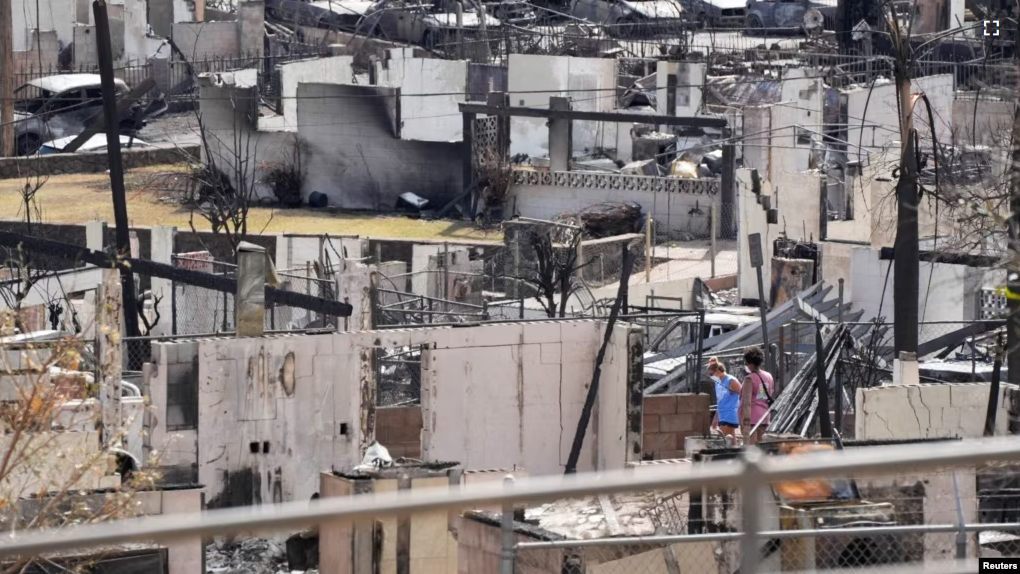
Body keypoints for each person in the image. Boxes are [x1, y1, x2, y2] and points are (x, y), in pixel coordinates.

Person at [740, 346, 775, 445]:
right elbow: (770, 392)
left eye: (746, 363)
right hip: (764, 415)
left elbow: (746, 403)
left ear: (750, 363)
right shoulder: (768, 376)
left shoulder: (749, 379)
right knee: (762, 446)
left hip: (751, 417)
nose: (746, 365)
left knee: (751, 448)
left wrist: (744, 421)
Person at [709, 360, 741, 442]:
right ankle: (737, 453)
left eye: (711, 374)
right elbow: (720, 402)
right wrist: (716, 417)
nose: (711, 376)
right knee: (732, 440)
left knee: (721, 439)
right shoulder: (717, 382)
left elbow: (743, 394)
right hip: (722, 415)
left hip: (730, 414)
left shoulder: (731, 381)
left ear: (718, 371)